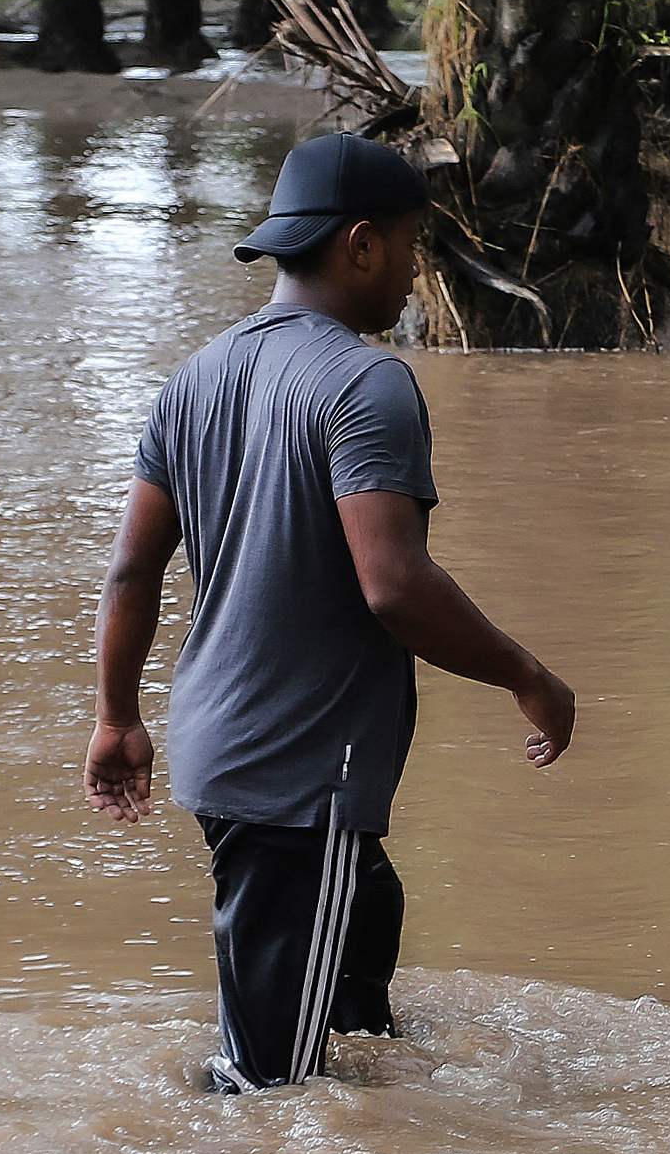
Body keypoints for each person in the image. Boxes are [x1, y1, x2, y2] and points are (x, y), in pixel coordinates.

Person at [86, 133, 576, 1090]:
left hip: (228, 744)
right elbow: (391, 585)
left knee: (361, 960)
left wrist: (117, 716)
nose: (411, 276)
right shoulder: (364, 382)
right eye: (408, 247)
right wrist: (529, 675)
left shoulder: (192, 381)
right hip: (297, 772)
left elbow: (130, 572)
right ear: (359, 243)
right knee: (270, 1089)